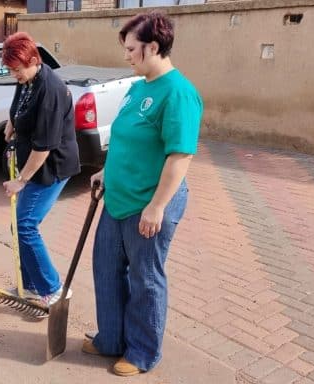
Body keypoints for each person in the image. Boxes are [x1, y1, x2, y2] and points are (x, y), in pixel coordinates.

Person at [82, 12, 202, 376]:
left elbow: (180, 156)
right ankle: (111, 339)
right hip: (117, 198)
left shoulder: (179, 93)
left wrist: (157, 206)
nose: (126, 55)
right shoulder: (138, 87)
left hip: (148, 203)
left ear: (153, 47)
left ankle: (141, 351)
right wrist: (106, 171)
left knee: (144, 279)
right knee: (106, 269)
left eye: (132, 49)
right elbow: (125, 139)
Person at [0, 32, 81, 308]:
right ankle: (31, 284)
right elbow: (19, 106)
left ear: (33, 60)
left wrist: (20, 181)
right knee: (20, 224)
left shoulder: (51, 90)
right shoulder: (28, 78)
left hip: (51, 167)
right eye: (10, 70)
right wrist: (12, 123)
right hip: (34, 162)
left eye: (17, 70)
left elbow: (44, 146)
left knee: (25, 225)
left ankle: (54, 289)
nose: (14, 75)